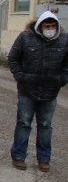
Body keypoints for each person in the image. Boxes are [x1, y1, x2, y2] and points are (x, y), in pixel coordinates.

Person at [7, 10, 67, 173]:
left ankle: (44, 159)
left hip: (50, 91)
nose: (49, 28)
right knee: (24, 123)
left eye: (52, 26)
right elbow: (13, 58)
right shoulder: (25, 38)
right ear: (40, 26)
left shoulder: (64, 40)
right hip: (27, 90)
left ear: (57, 26)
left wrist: (62, 79)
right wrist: (20, 76)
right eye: (46, 26)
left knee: (46, 125)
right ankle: (18, 156)